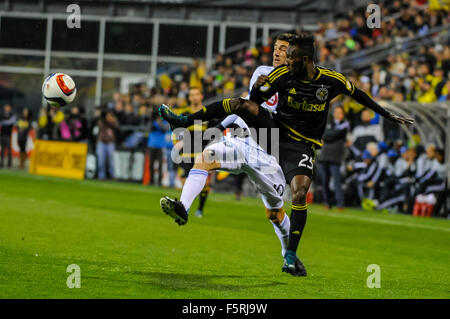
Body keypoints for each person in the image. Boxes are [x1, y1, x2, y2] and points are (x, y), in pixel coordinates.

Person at [159, 34, 414, 276]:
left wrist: (387, 114)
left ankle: (288, 254)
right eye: (277, 49)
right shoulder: (265, 73)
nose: (279, 54)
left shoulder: (321, 79)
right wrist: (218, 127)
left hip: (275, 154)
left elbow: (355, 92)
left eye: (285, 50)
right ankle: (184, 203)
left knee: (276, 213)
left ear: (299, 57)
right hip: (251, 138)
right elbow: (250, 104)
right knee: (206, 154)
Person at [160, 115, 306, 276]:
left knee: (275, 214)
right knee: (205, 158)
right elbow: (232, 114)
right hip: (237, 143)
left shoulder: (285, 104)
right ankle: (183, 208)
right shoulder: (250, 99)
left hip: (264, 156)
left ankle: (289, 254)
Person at [317, 105, 350, 210]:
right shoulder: (329, 123)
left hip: (335, 156)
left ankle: (340, 204)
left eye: (340, 112)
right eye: (336, 112)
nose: (337, 114)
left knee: (337, 181)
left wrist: (326, 135)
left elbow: (329, 135)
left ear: (343, 114)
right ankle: (327, 203)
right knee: (324, 181)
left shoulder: (345, 124)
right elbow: (324, 134)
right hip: (325, 154)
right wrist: (327, 134)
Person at [96, 110, 119, 180]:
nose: (109, 117)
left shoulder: (114, 122)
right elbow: (100, 125)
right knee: (101, 160)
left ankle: (112, 175)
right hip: (101, 142)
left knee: (111, 161)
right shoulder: (102, 121)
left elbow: (117, 128)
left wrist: (112, 120)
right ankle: (101, 176)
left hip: (110, 143)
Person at [0, 104, 16, 168]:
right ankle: (1, 163)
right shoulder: (2, 114)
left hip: (8, 135)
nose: (7, 108)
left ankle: (9, 163)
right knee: (2, 150)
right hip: (2, 134)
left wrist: (4, 122)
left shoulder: (12, 115)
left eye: (8, 107)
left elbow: (10, 122)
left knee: (9, 149)